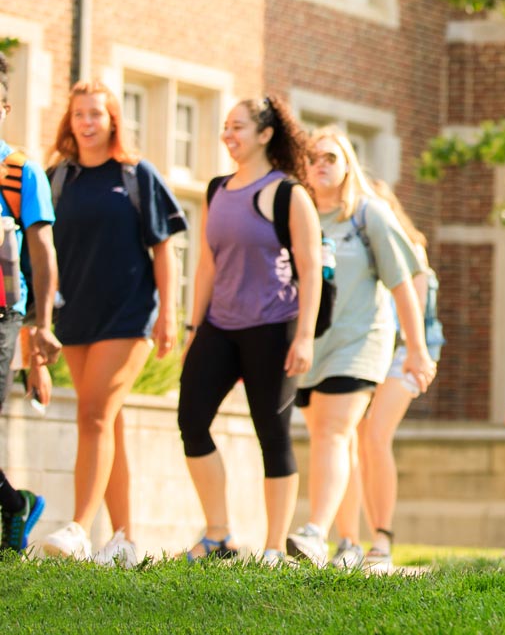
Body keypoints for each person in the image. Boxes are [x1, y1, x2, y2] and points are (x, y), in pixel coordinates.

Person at [36, 81, 186, 566]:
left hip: (129, 313)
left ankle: (80, 527)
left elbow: (165, 248)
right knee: (106, 420)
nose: (87, 122)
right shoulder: (58, 178)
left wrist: (169, 312)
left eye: (96, 113)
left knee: (93, 415)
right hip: (75, 314)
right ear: (70, 120)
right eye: (79, 113)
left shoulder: (136, 175)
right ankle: (123, 539)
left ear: (113, 119)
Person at [176, 97, 320, 565]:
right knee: (192, 422)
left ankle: (275, 547)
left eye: (237, 127)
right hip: (220, 325)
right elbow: (206, 264)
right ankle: (218, 535)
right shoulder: (216, 189)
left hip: (274, 327)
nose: (228, 135)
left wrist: (303, 337)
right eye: (225, 127)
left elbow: (310, 269)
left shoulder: (288, 194)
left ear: (264, 134)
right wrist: (193, 328)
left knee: (271, 435)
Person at [284, 130, 436, 568]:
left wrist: (417, 349)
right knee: (333, 440)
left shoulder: (370, 215)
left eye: (330, 157)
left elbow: (403, 284)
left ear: (348, 164)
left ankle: (315, 531)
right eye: (312, 159)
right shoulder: (302, 216)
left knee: (334, 432)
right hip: (313, 346)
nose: (320, 165)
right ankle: (349, 541)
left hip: (361, 341)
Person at [331, 178, 446, 573]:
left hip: (405, 351)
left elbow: (412, 307)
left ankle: (381, 537)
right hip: (366, 346)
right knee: (349, 437)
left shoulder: (408, 246)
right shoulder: (354, 244)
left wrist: (416, 353)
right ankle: (348, 539)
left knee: (376, 435)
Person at [0, 52, 61, 554]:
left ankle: (13, 506)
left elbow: (42, 253)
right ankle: (12, 505)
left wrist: (41, 326)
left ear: (4, 108)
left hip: (2, 313)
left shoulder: (20, 173)